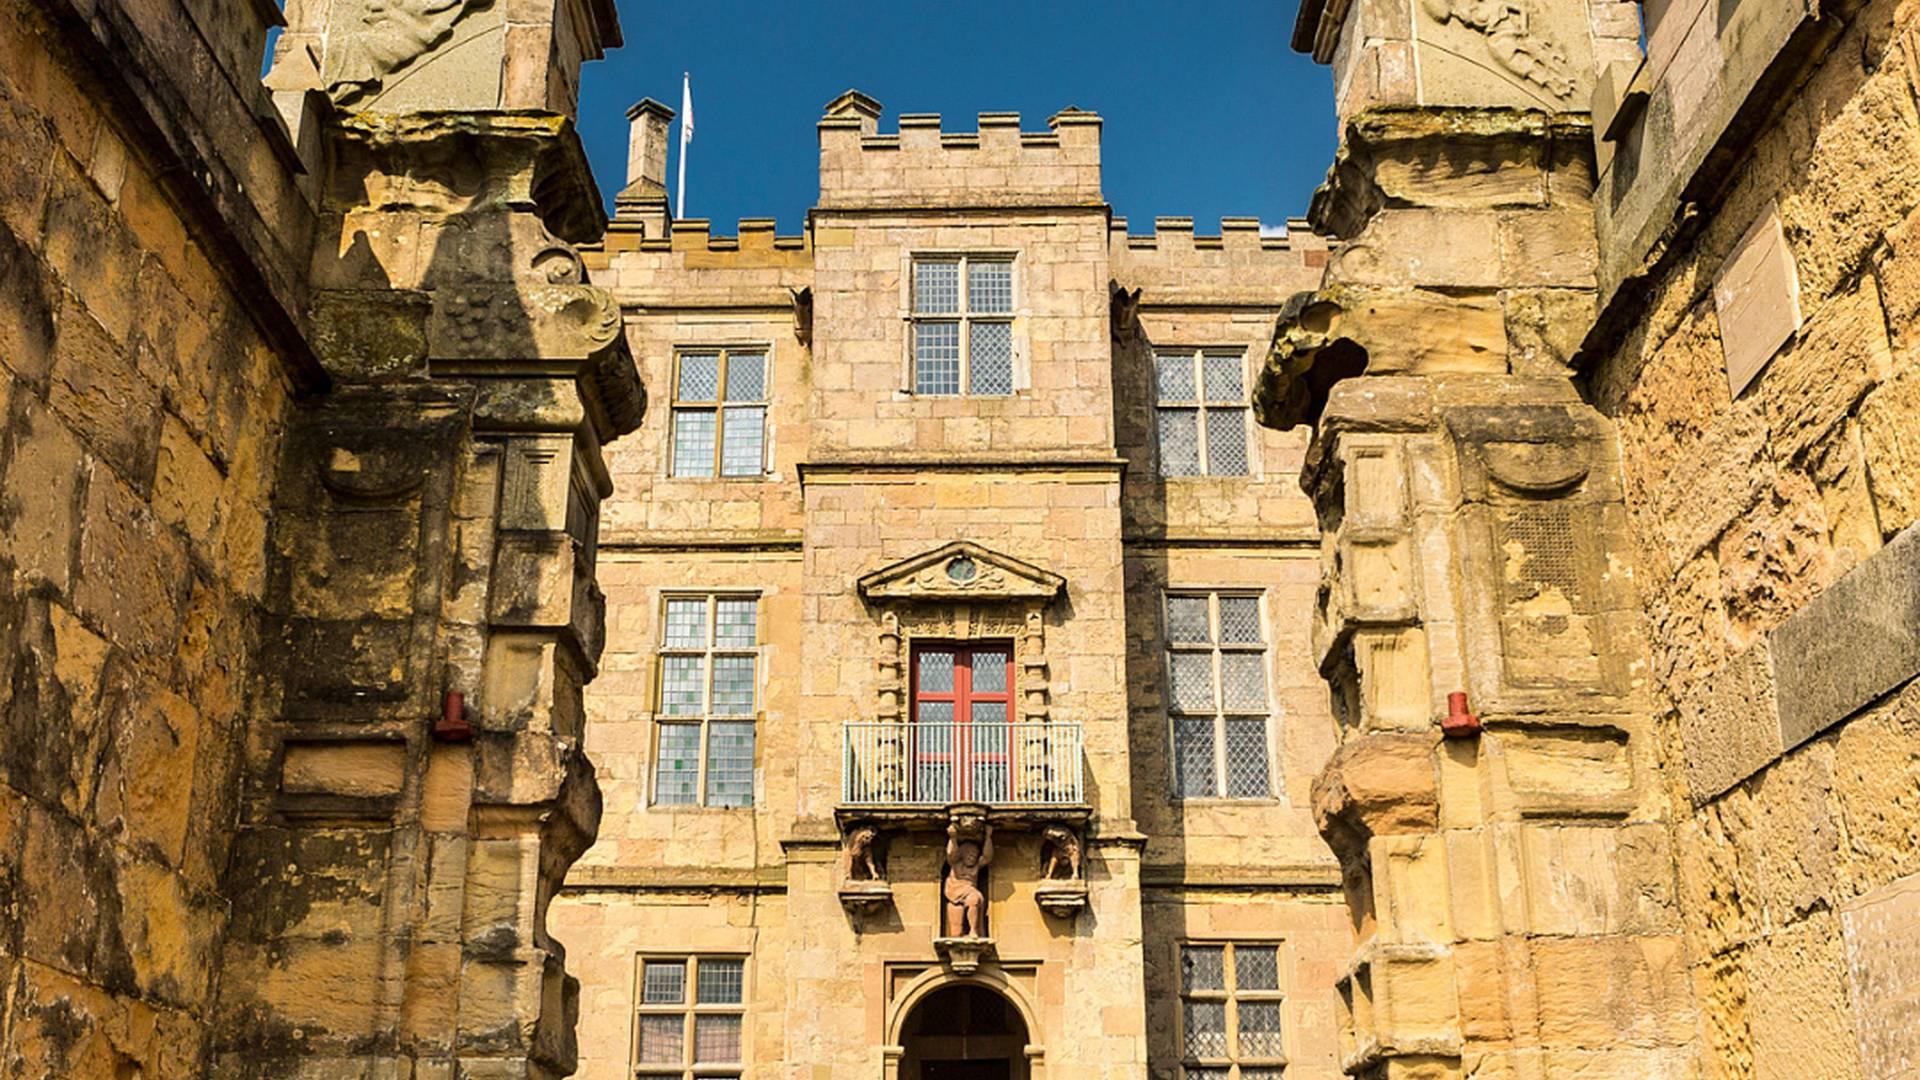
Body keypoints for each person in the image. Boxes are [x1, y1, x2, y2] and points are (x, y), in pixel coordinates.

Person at [943, 822, 993, 937]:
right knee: (956, 932)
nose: (972, 857)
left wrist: (988, 837)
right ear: (963, 855)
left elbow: (987, 857)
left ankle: (973, 931)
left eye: (974, 855)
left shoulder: (976, 866)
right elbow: (951, 853)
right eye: (969, 855)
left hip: (970, 892)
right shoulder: (955, 863)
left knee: (974, 899)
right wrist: (953, 838)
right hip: (953, 894)